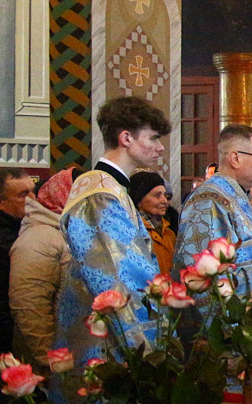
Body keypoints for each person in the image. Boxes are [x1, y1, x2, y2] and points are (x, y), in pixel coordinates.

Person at [57, 97, 170, 359]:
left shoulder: (113, 188)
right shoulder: (100, 196)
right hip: (106, 343)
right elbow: (116, 280)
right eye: (153, 138)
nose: (160, 147)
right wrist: (148, 353)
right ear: (127, 138)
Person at [175, 125, 252, 330]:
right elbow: (203, 272)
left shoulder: (237, 196)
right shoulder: (209, 200)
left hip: (250, 323)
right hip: (227, 330)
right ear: (235, 158)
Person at [9, 170, 77, 371]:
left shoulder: (66, 231)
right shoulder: (38, 239)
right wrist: (49, 361)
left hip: (71, 353)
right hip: (52, 365)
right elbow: (30, 306)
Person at [0, 168, 37, 353]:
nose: (33, 199)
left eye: (33, 191)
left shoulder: (23, 229)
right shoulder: (7, 240)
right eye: (23, 195)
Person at [130, 171, 176, 275]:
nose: (164, 201)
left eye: (165, 195)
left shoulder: (169, 233)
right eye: (157, 196)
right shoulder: (135, 233)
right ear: (139, 201)